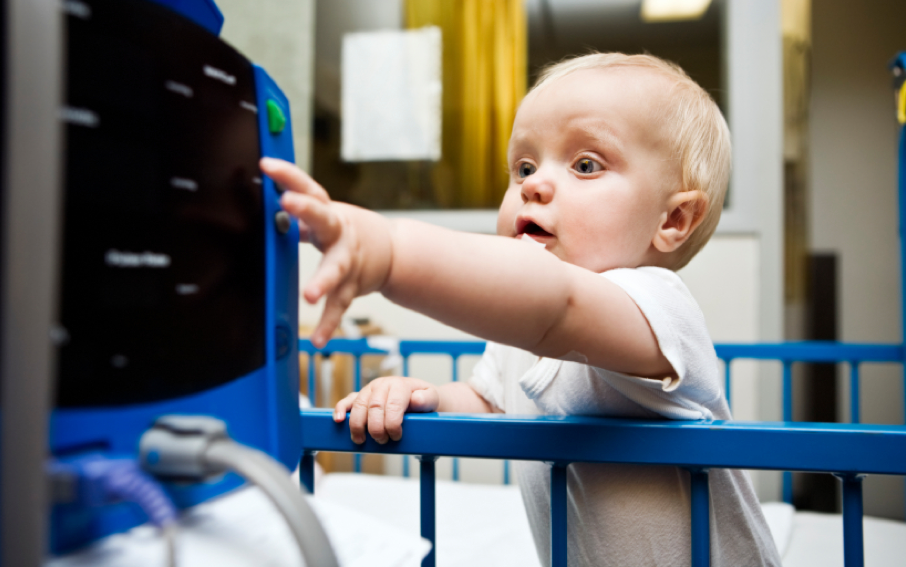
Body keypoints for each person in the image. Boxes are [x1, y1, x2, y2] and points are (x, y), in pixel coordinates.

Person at [260, 52, 781, 566]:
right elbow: (490, 404)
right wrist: (427, 396)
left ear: (674, 219)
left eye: (585, 164)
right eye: (524, 166)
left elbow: (557, 303)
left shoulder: (660, 307)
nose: (532, 184)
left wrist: (392, 253)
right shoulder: (522, 337)